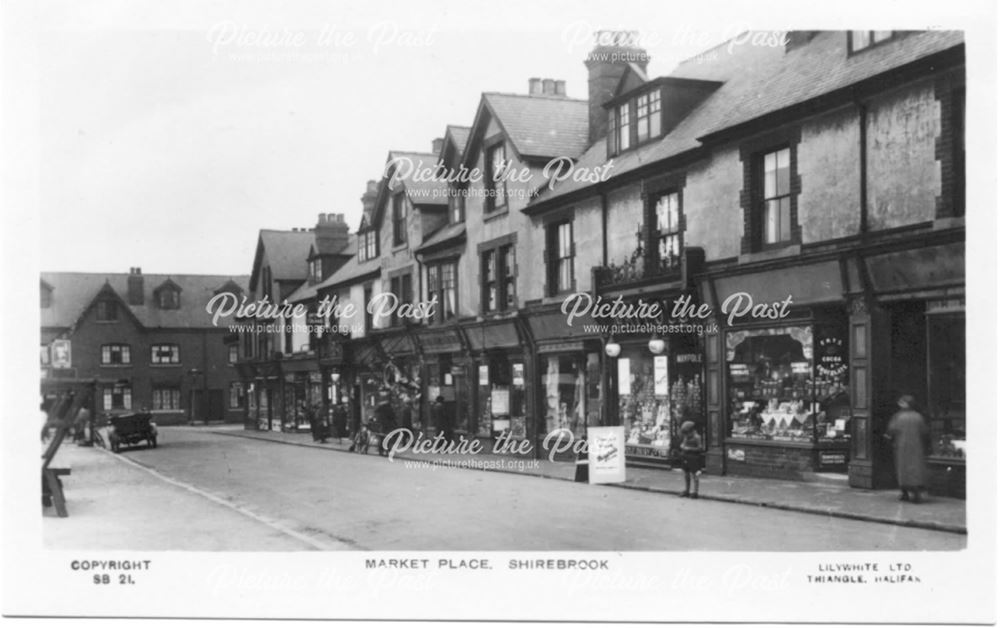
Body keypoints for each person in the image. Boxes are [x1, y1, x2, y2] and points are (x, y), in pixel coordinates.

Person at [886, 394, 931, 503]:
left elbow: (891, 430)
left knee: (903, 468)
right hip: (916, 446)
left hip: (901, 446)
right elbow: (924, 431)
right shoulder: (918, 416)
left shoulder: (898, 417)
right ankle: (916, 493)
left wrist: (889, 438)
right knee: (916, 468)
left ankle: (904, 492)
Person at [678, 421, 704, 498]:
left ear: (691, 431)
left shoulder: (697, 437)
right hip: (686, 457)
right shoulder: (686, 437)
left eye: (687, 433)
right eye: (685, 433)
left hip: (694, 458)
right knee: (686, 474)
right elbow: (683, 444)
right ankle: (687, 490)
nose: (686, 435)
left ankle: (695, 492)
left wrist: (689, 448)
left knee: (695, 475)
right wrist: (682, 446)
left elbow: (700, 448)